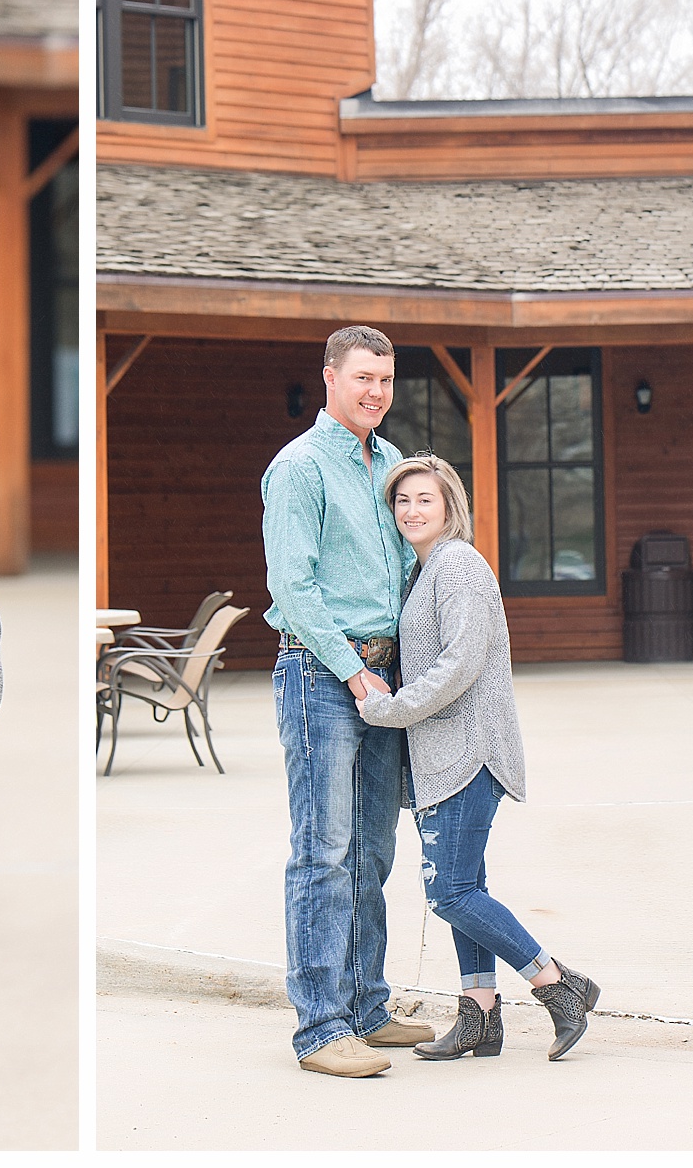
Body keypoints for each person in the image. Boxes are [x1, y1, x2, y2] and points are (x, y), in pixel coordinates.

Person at [358, 453, 600, 1061]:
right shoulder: (427, 570)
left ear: (451, 508)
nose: (412, 510)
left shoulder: (459, 566)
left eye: (425, 500)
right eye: (402, 501)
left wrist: (389, 709)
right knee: (469, 887)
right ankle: (479, 1017)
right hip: (444, 757)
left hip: (469, 755)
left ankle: (557, 984)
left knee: (451, 893)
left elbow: (460, 665)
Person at [260, 324, 434, 1078]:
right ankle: (321, 1029)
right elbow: (291, 587)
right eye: (362, 377)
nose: (375, 393)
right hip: (321, 676)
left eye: (386, 380)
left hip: (386, 681)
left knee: (372, 850)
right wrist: (355, 673)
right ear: (329, 377)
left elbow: (405, 573)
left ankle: (367, 1005)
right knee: (323, 854)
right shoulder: (297, 469)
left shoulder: (393, 463)